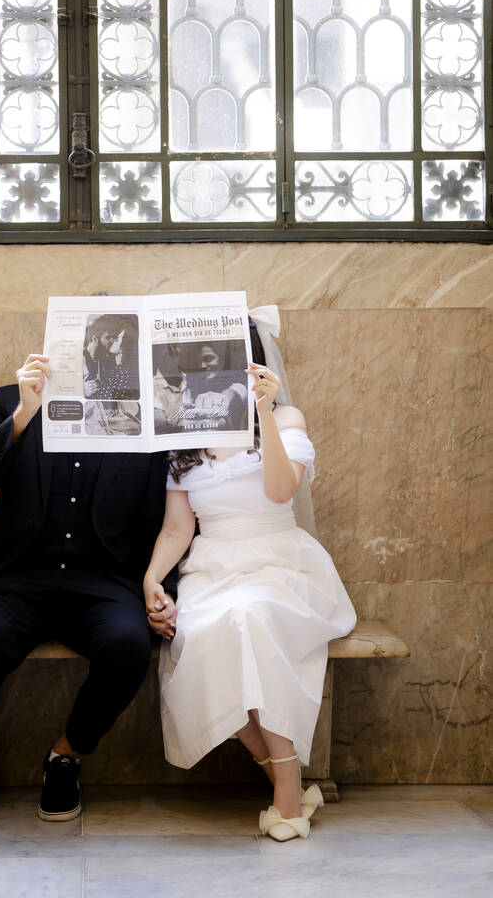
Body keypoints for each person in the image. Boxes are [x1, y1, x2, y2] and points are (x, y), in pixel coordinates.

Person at [0, 352, 176, 873]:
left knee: (128, 645)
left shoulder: (147, 418)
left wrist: (162, 589)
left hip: (101, 582)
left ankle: (65, 757)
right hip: (14, 578)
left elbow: (164, 518)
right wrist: (24, 415)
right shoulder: (12, 400)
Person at [143, 325, 356, 842]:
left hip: (279, 561)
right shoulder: (183, 430)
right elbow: (177, 529)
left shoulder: (286, 418)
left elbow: (282, 492)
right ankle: (287, 776)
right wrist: (151, 579)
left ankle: (287, 796)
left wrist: (263, 411)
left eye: (219, 359)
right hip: (211, 567)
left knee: (248, 620)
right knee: (202, 638)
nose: (209, 371)